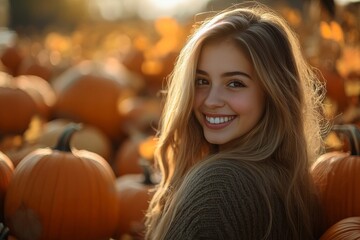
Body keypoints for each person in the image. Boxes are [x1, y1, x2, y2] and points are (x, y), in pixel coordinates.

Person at [145, 2, 327, 240]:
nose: (211, 100)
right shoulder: (288, 181)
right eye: (202, 81)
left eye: (235, 84)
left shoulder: (219, 185)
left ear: (274, 93)